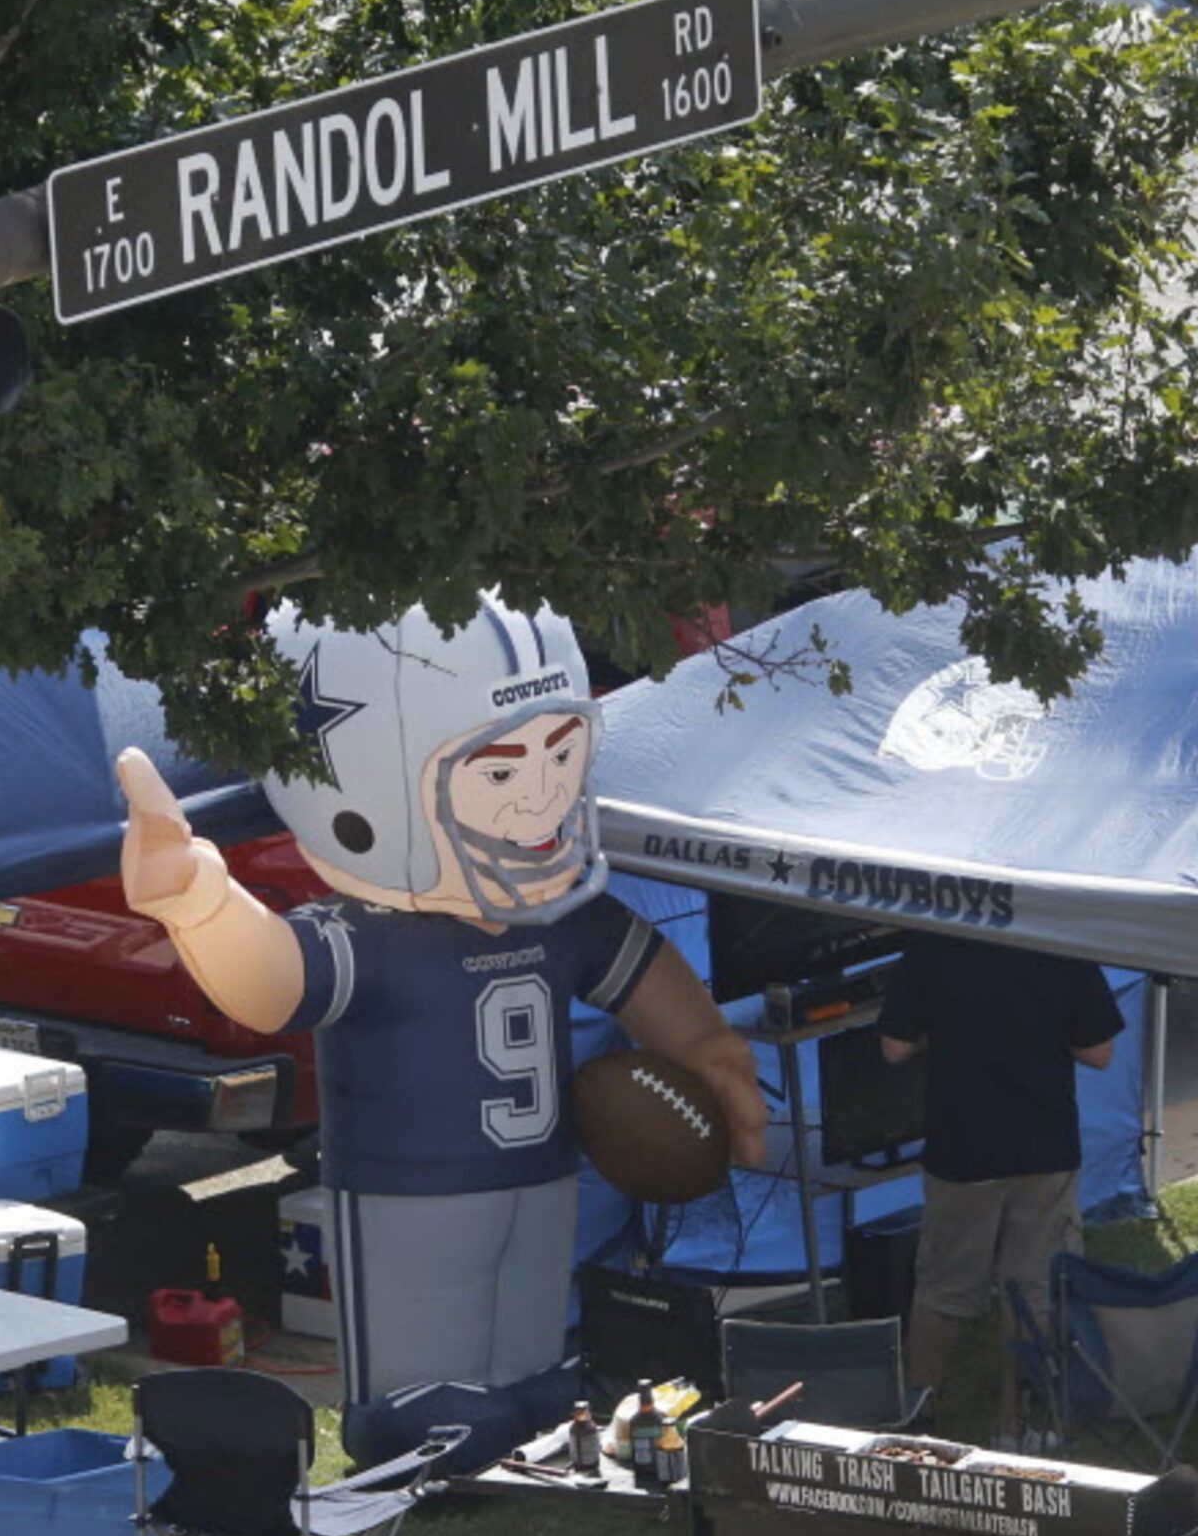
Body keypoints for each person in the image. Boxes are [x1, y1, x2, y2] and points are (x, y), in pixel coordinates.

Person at [114, 595, 766, 1462]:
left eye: (559, 754)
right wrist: (197, 901)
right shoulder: (370, 940)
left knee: (530, 1331)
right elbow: (271, 985)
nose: (541, 796)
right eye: (499, 773)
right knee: (425, 1345)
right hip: (405, 1188)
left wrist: (706, 1053)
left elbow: (661, 996)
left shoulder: (562, 920)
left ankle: (532, 1403)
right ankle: (412, 1424)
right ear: (365, 791)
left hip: (541, 1170)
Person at [876, 933, 1123, 1434]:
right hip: (1043, 1144)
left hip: (962, 1145)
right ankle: (1017, 1425)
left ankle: (916, 1412)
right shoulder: (1060, 944)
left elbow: (894, 1047)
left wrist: (944, 1033)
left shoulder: (933, 945)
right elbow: (1099, 1051)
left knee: (943, 1287)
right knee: (1032, 1289)